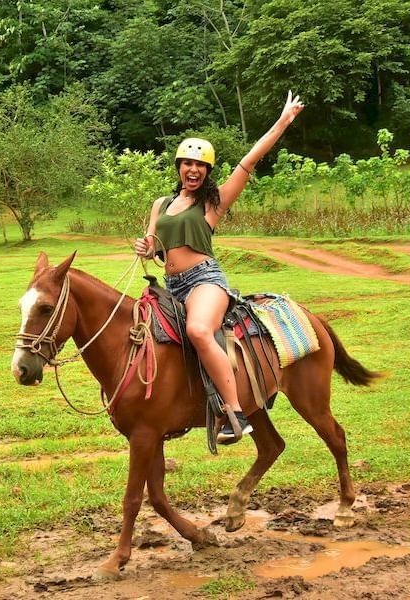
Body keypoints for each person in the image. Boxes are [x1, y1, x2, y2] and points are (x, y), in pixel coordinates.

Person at [134, 91, 305, 444]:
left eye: (200, 166)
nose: (193, 170)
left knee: (199, 330)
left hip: (204, 281)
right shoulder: (160, 203)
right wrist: (145, 248)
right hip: (172, 285)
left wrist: (283, 121)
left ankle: (233, 412)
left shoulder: (214, 202)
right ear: (178, 167)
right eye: (187, 164)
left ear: (208, 171)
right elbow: (153, 248)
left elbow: (249, 160)